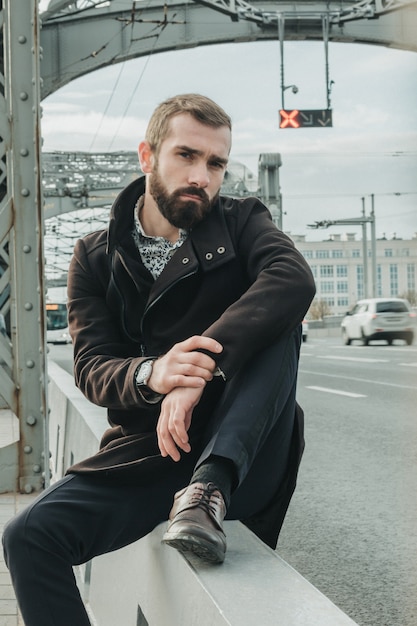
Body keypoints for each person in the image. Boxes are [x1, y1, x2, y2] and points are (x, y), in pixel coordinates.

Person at [2, 93, 315, 625]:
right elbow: (94, 366)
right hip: (154, 450)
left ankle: (207, 489)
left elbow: (293, 280)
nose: (203, 176)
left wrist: (198, 371)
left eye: (216, 163)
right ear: (147, 157)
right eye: (186, 156)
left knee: (279, 322)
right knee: (28, 537)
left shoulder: (241, 223)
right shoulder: (95, 256)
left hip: (241, 456)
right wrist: (154, 373)